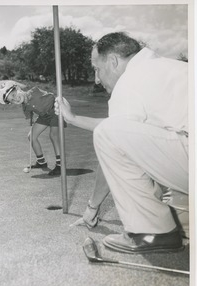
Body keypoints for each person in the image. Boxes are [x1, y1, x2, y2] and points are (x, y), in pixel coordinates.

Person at [55, 32, 189, 254]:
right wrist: (74, 119)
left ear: (113, 61)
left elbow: (113, 139)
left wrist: (92, 208)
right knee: (182, 224)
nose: (96, 79)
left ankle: (152, 233)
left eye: (97, 69)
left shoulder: (130, 81)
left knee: (107, 133)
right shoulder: (170, 68)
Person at [0, 81, 66, 176]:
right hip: (44, 117)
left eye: (13, 94)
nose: (15, 99)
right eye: (12, 100)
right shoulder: (24, 106)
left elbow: (51, 96)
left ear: (18, 89)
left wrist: (59, 106)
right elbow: (30, 115)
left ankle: (60, 165)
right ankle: (41, 162)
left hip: (55, 112)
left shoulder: (34, 91)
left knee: (53, 136)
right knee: (31, 136)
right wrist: (31, 120)